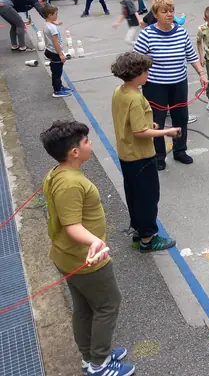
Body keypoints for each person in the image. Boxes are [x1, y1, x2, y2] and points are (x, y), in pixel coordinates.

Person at [40, 120, 134, 376]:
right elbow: (72, 225)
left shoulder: (58, 172)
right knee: (108, 304)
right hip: (86, 259)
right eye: (86, 141)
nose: (90, 144)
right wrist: (94, 241)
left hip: (68, 256)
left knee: (84, 307)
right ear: (74, 151)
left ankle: (90, 355)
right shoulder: (70, 184)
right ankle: (99, 363)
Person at [110, 52, 178, 251]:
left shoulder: (119, 91)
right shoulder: (135, 98)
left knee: (134, 194)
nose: (148, 74)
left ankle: (139, 229)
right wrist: (167, 132)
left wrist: (150, 123)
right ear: (136, 74)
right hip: (141, 155)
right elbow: (140, 132)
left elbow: (130, 121)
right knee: (148, 197)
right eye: (146, 71)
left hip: (126, 153)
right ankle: (148, 238)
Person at [133, 0, 208, 170]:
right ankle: (159, 155)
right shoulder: (147, 34)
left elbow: (191, 56)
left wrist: (201, 73)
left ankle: (180, 150)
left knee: (180, 117)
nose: (169, 14)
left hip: (179, 83)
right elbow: (136, 61)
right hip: (154, 86)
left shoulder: (181, 32)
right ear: (155, 14)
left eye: (171, 11)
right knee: (156, 121)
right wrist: (135, 84)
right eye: (164, 11)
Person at [43, 4, 72, 98]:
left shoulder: (47, 25)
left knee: (56, 70)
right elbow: (55, 43)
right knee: (57, 72)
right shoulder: (52, 28)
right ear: (50, 15)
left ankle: (59, 86)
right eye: (56, 14)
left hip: (50, 50)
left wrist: (55, 23)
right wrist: (61, 54)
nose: (57, 16)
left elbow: (50, 25)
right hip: (55, 52)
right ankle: (57, 90)